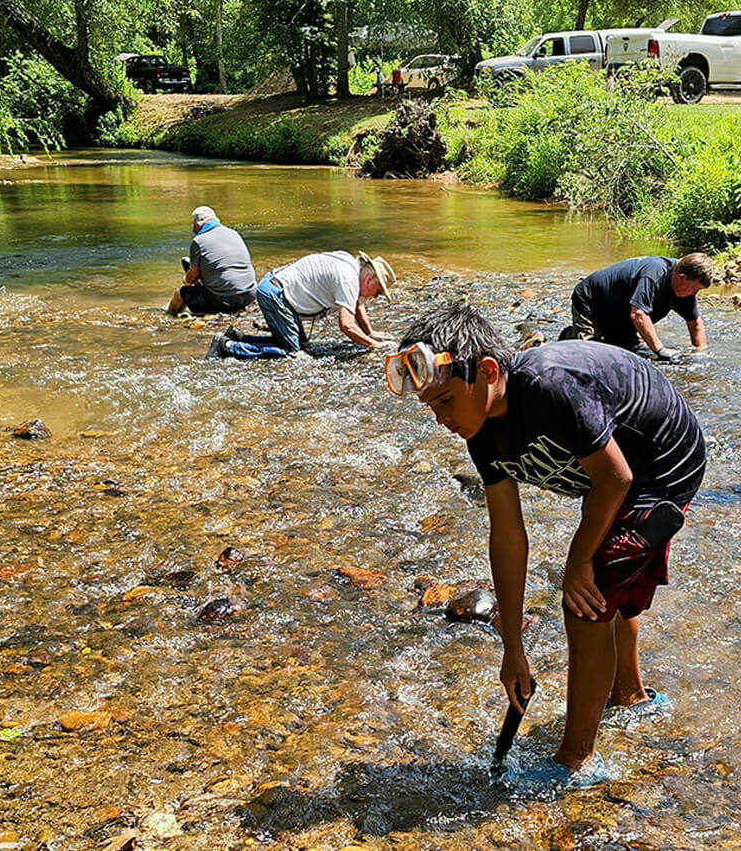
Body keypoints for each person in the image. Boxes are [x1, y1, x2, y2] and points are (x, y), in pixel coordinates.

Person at [386, 303, 706, 786]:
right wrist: (512, 648)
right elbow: (509, 537)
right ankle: (630, 695)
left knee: (586, 594)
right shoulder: (481, 433)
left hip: (661, 466)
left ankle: (577, 759)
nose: (440, 419)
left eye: (447, 400)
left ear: (489, 372)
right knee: (607, 582)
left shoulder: (549, 386)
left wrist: (577, 562)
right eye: (431, 407)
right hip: (609, 477)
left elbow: (616, 478)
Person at [207, 250, 395, 359]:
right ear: (370, 279)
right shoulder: (349, 280)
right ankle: (227, 347)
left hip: (275, 287)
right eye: (378, 292)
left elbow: (356, 305)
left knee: (301, 344)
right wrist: (373, 345)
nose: (376, 297)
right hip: (277, 295)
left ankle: (239, 337)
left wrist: (370, 333)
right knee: (292, 353)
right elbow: (346, 325)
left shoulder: (351, 266)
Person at [562, 253, 713, 360]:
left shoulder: (685, 290)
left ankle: (573, 336)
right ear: (682, 277)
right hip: (592, 302)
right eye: (694, 288)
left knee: (628, 355)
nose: (695, 293)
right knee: (587, 356)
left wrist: (699, 353)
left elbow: (695, 323)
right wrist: (661, 350)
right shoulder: (655, 273)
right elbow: (638, 314)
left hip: (621, 314)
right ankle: (566, 341)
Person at [167, 206, 257, 316]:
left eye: (194, 229)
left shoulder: (198, 241)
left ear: (198, 225)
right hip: (250, 295)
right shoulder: (234, 233)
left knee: (181, 293)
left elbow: (192, 279)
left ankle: (168, 317)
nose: (194, 231)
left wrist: (186, 280)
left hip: (225, 301)